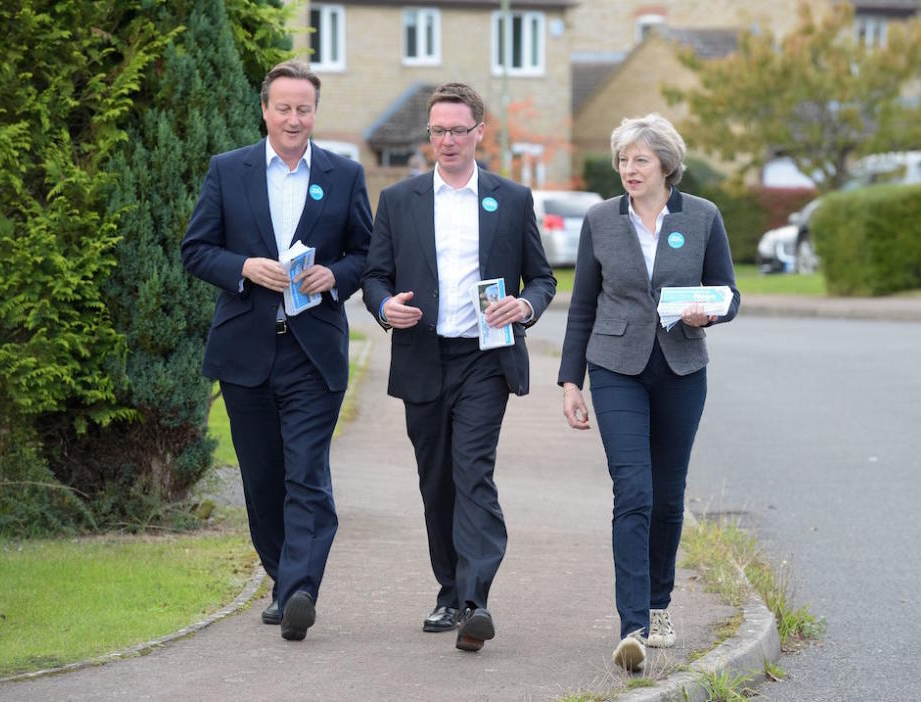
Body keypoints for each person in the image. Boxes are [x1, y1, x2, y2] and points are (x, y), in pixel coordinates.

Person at [181, 60, 372, 642]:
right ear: (265, 110)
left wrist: (333, 277)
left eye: (304, 108)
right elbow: (195, 250)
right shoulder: (228, 170)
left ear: (316, 112)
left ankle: (299, 591)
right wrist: (243, 266)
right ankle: (280, 577)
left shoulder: (343, 174)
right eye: (283, 108)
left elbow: (366, 255)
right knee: (262, 478)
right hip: (246, 352)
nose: (294, 118)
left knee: (307, 474)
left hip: (313, 353)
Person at [361, 82, 556, 653]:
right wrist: (383, 306)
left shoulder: (511, 198)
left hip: (485, 358)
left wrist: (526, 306)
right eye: (438, 130)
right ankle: (448, 590)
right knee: (437, 480)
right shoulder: (399, 201)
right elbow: (375, 276)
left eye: (457, 130)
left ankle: (475, 602)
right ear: (430, 135)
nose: (447, 140)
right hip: (423, 354)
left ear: (479, 133)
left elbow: (542, 278)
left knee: (473, 471)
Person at [557, 113, 739, 672]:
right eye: (622, 159)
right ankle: (631, 626)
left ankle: (660, 604)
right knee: (632, 490)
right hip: (616, 366)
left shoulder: (702, 217)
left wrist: (705, 313)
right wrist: (570, 380)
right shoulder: (600, 220)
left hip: (682, 367)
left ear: (666, 163)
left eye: (640, 159)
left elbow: (730, 293)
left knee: (666, 496)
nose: (629, 169)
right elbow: (582, 304)